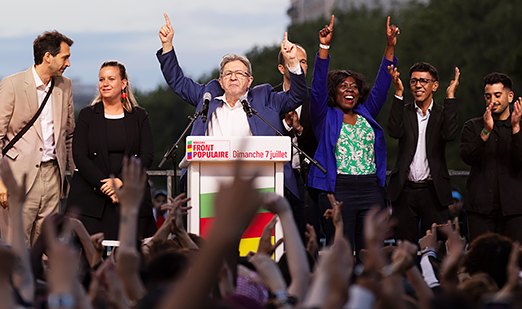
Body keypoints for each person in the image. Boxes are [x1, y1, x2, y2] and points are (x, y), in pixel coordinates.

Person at [156, 14, 308, 198]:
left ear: (249, 80)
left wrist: (292, 62)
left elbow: (298, 95)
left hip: (260, 183)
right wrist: (167, 46)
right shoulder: (207, 97)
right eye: (228, 74)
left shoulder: (266, 97)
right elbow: (177, 81)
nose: (233, 77)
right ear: (220, 81)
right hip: (209, 183)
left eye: (239, 73)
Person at [308, 15, 399, 253]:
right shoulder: (324, 116)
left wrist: (390, 46)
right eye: (343, 86)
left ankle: (369, 291)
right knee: (341, 251)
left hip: (371, 189)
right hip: (338, 189)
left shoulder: (366, 113)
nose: (350, 90)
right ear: (334, 92)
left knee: (372, 251)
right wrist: (324, 47)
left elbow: (381, 85)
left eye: (354, 87)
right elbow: (317, 88)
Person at [0, 30, 76, 245]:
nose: (68, 63)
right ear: (48, 57)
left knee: (47, 246)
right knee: (17, 248)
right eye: (65, 57)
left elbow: (69, 135)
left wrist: (74, 175)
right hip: (17, 179)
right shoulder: (12, 84)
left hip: (54, 176)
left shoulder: (65, 85)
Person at [67, 61, 156, 240]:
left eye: (111, 78)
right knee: (90, 260)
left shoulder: (140, 116)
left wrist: (121, 182)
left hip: (130, 195)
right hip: (92, 197)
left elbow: (147, 155)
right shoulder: (87, 115)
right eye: (101, 79)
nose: (105, 83)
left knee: (133, 259)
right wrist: (106, 186)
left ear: (123, 83)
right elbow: (79, 155)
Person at [386, 62, 460, 244]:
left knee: (436, 245)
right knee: (404, 247)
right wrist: (398, 93)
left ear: (434, 85)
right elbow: (393, 132)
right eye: (413, 81)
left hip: (434, 191)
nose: (418, 85)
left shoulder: (443, 113)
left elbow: (450, 135)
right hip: (405, 190)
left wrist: (450, 97)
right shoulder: (403, 111)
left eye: (423, 81)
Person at [460, 72, 522, 242]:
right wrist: (485, 132)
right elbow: (467, 157)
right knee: (480, 260)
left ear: (510, 97)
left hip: (514, 208)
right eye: (488, 96)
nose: (492, 101)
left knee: (514, 260)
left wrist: (516, 128)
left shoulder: (520, 126)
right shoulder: (472, 126)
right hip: (479, 208)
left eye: (497, 95)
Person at [273, 45, 321, 243]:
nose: (298, 67)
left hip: (309, 180)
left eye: (302, 62)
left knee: (308, 238)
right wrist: (285, 126)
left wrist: (299, 130)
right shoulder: (269, 98)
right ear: (282, 68)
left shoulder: (316, 99)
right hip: (277, 178)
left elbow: (322, 140)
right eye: (292, 62)